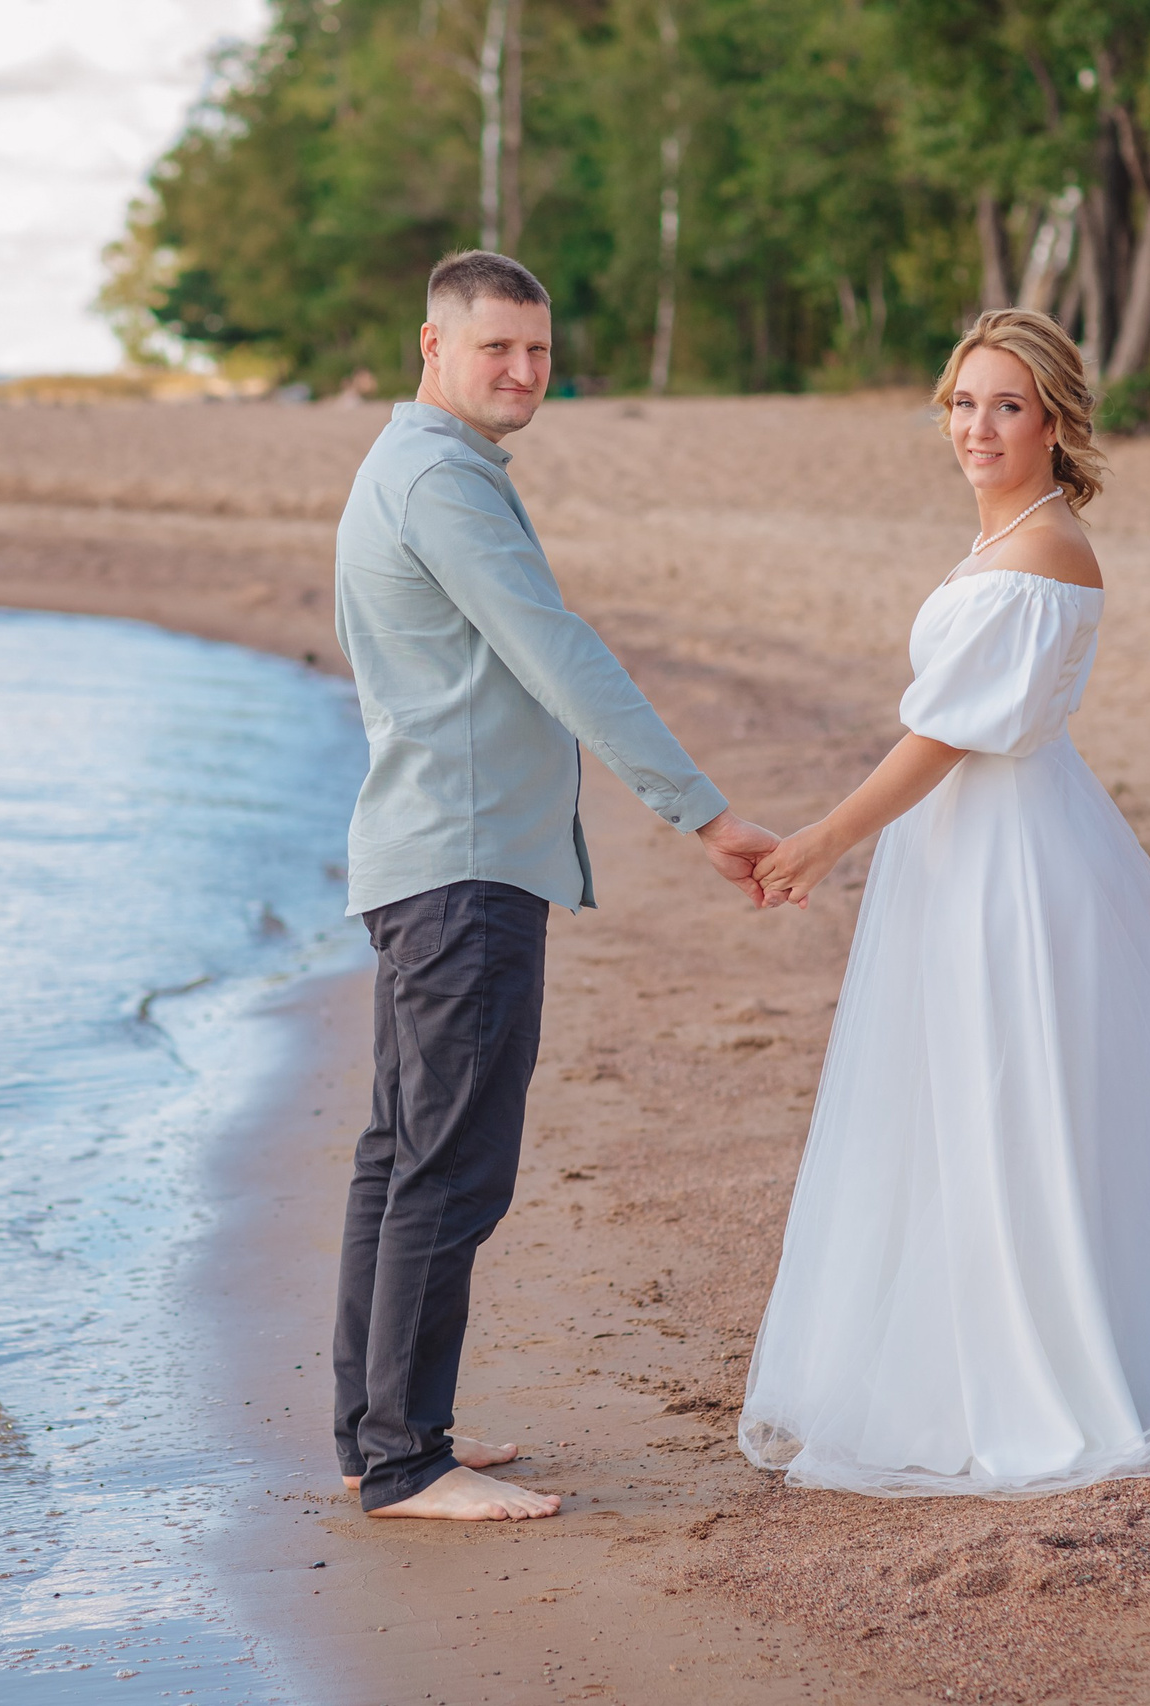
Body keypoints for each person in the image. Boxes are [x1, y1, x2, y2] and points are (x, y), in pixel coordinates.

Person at [736, 308, 1150, 1498]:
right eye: (962, 402)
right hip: (967, 853)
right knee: (954, 1100)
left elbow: (948, 732)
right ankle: (955, 1370)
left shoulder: (1044, 549)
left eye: (1005, 404)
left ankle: (1035, 1379)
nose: (977, 425)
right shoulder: (1006, 534)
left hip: (1011, 861)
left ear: (1053, 420)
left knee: (1007, 1101)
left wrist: (827, 838)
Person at [332, 250, 779, 1522]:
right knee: (448, 1169)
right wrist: (699, 808)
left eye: (537, 349)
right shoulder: (439, 480)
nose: (525, 371)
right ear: (432, 347)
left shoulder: (421, 465)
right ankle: (407, 1459)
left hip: (429, 855)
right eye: (496, 349)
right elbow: (557, 653)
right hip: (460, 868)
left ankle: (378, 1436)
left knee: (399, 1156)